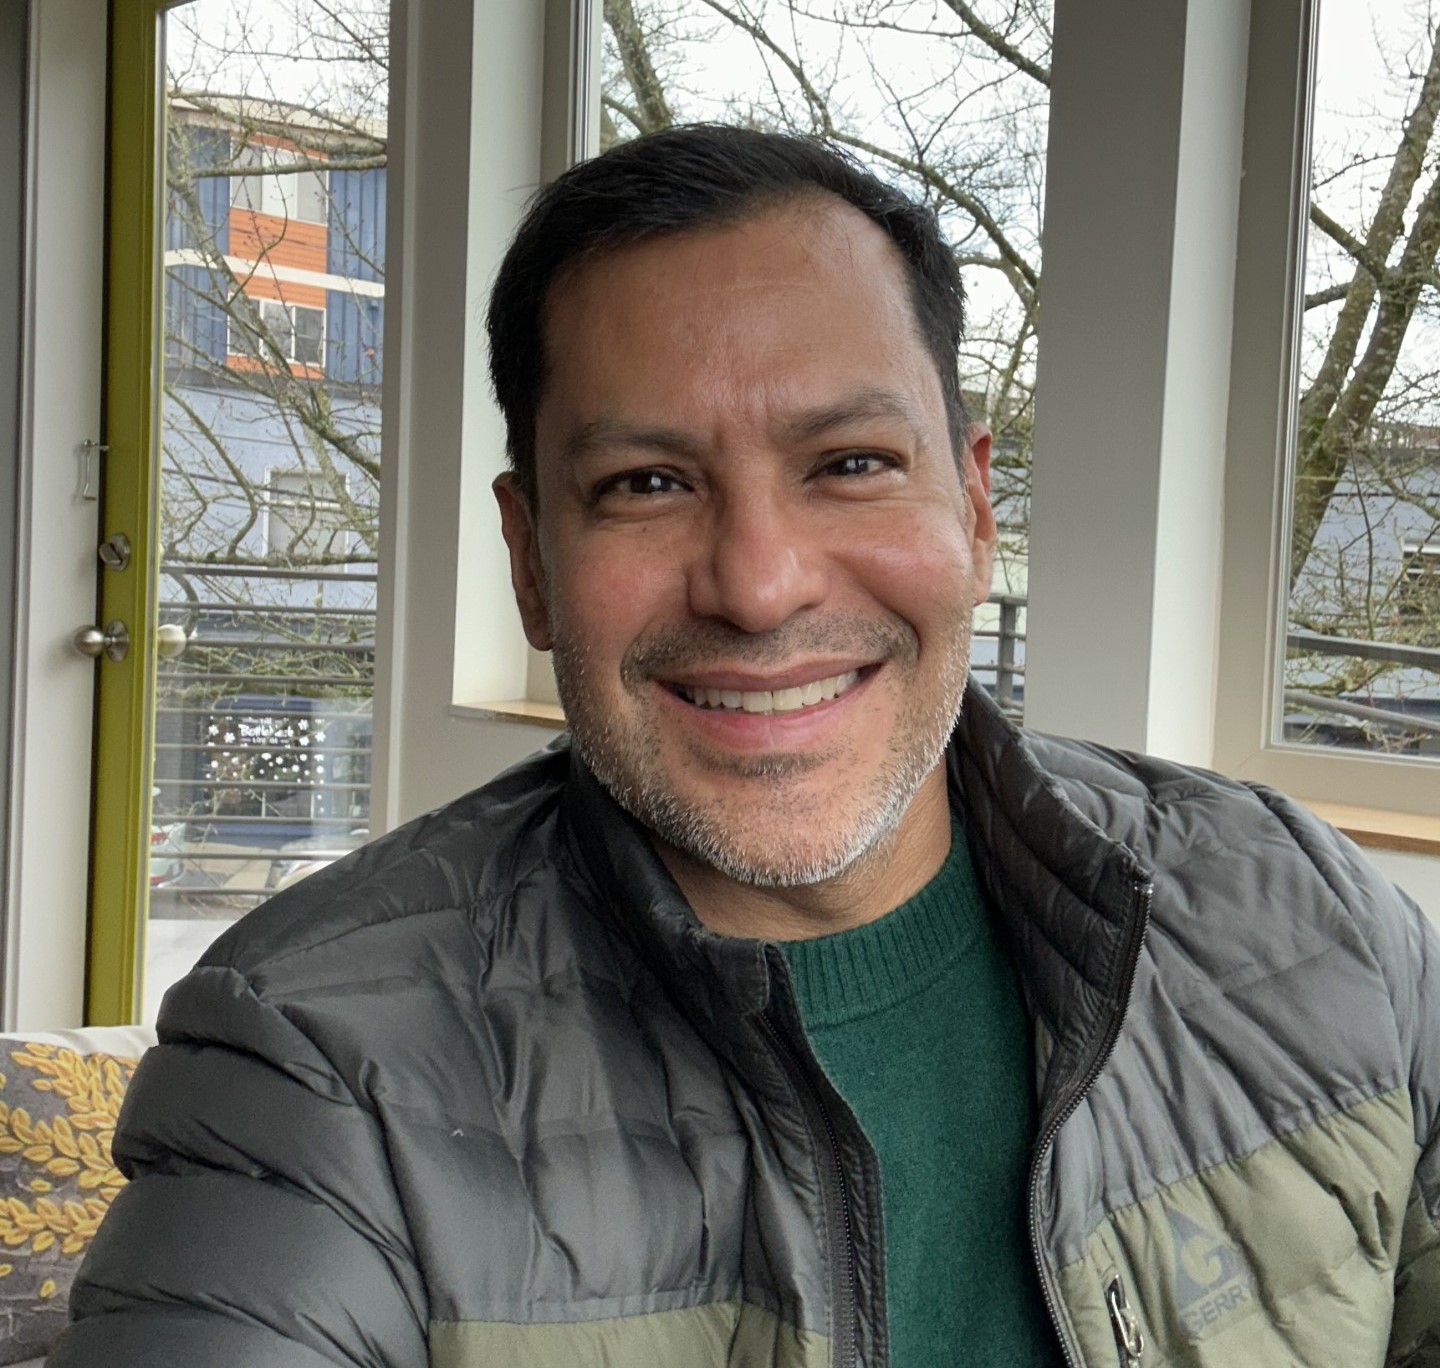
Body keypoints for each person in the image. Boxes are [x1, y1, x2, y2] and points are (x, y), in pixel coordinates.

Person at [53, 126, 1440, 1368]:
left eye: (850, 464)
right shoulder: (314, 1063)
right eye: (647, 483)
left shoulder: (1313, 916)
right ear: (531, 564)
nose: (761, 586)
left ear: (973, 511)